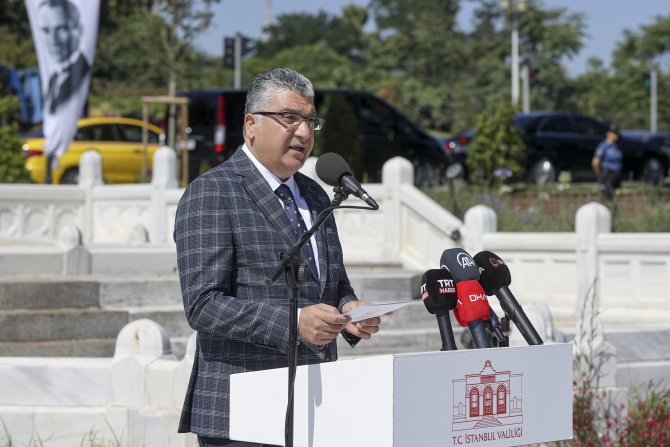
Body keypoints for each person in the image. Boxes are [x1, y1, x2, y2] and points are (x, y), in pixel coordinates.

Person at [174, 68, 385, 447]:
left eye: (310, 121)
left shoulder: (317, 195)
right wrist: (295, 323)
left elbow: (333, 284)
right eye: (289, 118)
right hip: (242, 408)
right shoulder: (213, 192)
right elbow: (204, 306)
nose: (303, 132)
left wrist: (349, 309)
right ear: (251, 125)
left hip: (316, 400)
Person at [39, 0, 90, 115]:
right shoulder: (53, 78)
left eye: (61, 29)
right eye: (46, 30)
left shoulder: (83, 73)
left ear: (78, 30)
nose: (53, 40)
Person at [592, 124, 623, 200]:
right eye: (614, 133)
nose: (616, 135)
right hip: (608, 173)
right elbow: (595, 162)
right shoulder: (603, 146)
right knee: (607, 195)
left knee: (616, 195)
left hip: (616, 174)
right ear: (608, 134)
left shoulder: (616, 146)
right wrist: (600, 175)